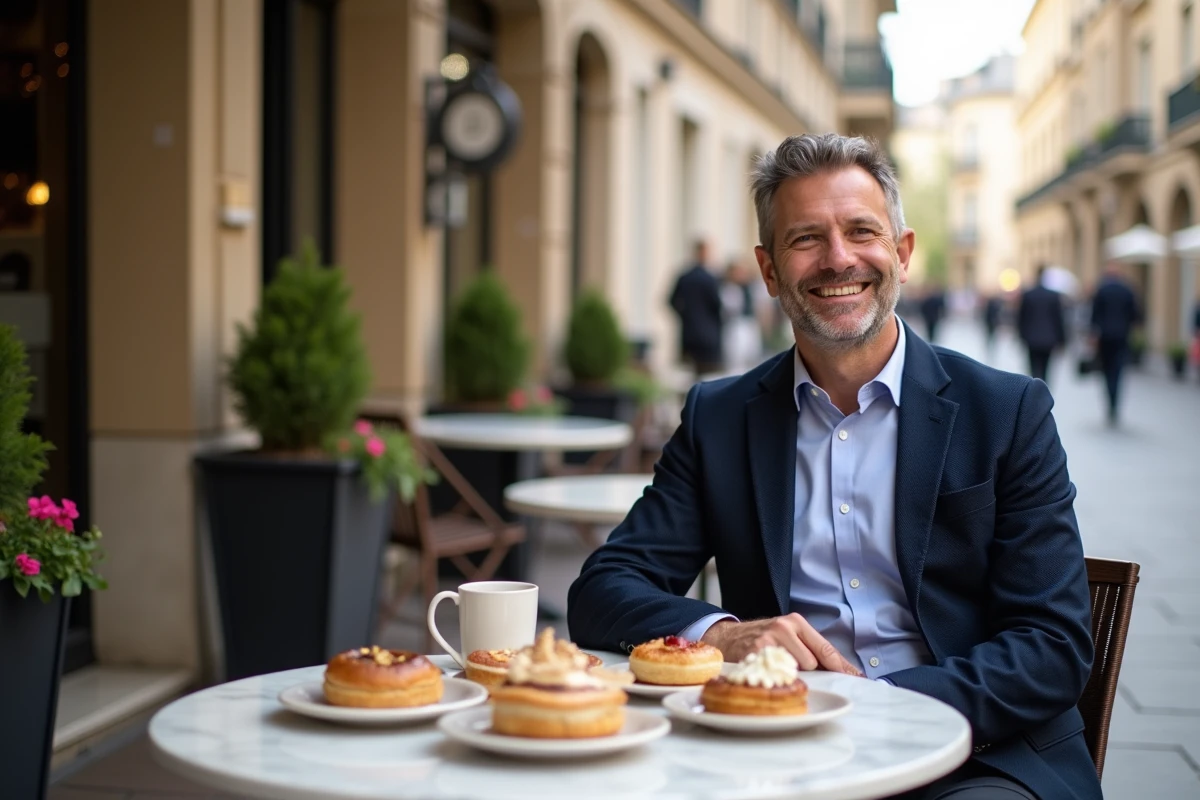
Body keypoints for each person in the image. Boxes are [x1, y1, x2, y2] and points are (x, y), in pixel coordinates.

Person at [569, 133, 1098, 800]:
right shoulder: (720, 418)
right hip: (777, 755)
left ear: (901, 254)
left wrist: (878, 704)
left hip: (975, 760)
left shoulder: (1008, 411)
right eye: (806, 239)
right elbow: (603, 590)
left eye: (861, 231)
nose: (838, 259)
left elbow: (1052, 645)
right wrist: (725, 636)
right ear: (769, 271)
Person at [1089, 262, 1141, 426]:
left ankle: (1110, 401)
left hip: (1105, 337)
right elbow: (1136, 314)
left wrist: (1093, 334)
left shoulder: (1101, 289)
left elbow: (1094, 314)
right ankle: (1114, 404)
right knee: (1117, 371)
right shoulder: (1127, 290)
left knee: (1106, 370)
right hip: (1121, 336)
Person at [669, 240, 725, 376]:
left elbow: (672, 301)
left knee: (690, 370)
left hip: (689, 331)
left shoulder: (685, 277)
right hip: (708, 333)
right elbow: (717, 305)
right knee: (708, 372)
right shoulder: (710, 279)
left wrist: (684, 315)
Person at [1017, 265, 1067, 384]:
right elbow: (1058, 319)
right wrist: (1062, 339)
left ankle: (1035, 389)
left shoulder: (1028, 294)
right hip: (1049, 338)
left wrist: (1021, 336)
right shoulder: (1053, 296)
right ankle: (1043, 389)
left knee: (1034, 368)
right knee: (1046, 368)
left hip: (1031, 338)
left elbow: (1021, 318)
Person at [719, 259, 765, 371]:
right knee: (735, 358)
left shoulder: (750, 287)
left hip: (750, 323)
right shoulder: (728, 288)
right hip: (735, 325)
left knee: (752, 355)